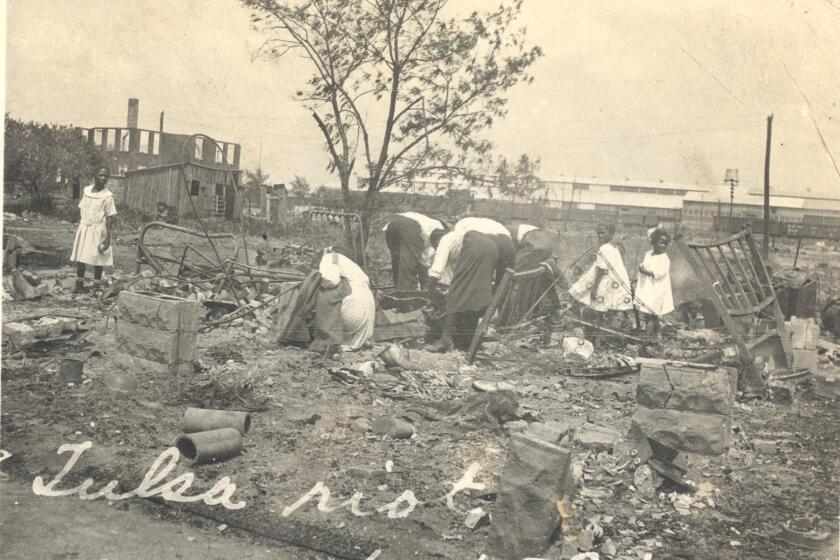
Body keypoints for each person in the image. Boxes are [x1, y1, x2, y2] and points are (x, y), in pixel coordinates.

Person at [275, 247, 375, 352]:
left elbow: (331, 280)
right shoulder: (352, 266)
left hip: (353, 312)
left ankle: (327, 341)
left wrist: (314, 283)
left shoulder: (331, 257)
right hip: (364, 324)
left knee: (323, 287)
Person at [425, 229, 499, 352]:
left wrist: (429, 297)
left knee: (455, 292)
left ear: (436, 242)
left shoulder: (445, 241)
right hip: (491, 247)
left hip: (475, 246)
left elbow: (436, 272)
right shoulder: (458, 244)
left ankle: (444, 341)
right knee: (474, 294)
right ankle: (468, 340)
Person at [568, 222, 633, 320]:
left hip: (604, 281)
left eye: (603, 233)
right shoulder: (613, 247)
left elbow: (601, 270)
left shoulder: (605, 248)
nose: (600, 236)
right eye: (598, 233)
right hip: (611, 282)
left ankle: (580, 320)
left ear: (611, 233)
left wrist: (595, 289)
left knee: (576, 293)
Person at [70, 166, 117, 293]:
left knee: (98, 257)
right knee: (81, 255)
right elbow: (82, 208)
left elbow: (110, 217)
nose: (103, 178)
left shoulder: (108, 196)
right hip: (84, 227)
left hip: (98, 229)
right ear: (95, 175)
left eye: (106, 176)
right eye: (101, 175)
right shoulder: (87, 191)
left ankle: (96, 286)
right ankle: (79, 284)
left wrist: (107, 239)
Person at [382, 212, 446, 291]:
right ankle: (406, 294)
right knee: (409, 266)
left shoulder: (432, 224)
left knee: (398, 261)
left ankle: (399, 291)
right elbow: (424, 263)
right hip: (409, 226)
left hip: (392, 225)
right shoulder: (442, 236)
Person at [635, 225, 674, 337]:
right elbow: (645, 265)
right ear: (654, 241)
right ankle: (653, 335)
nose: (664, 245)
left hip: (656, 291)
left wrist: (645, 271)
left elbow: (660, 273)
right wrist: (641, 269)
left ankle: (649, 336)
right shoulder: (648, 254)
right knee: (647, 313)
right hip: (647, 288)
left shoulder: (664, 258)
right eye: (661, 242)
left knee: (651, 313)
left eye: (666, 243)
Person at [454, 216, 515, 285]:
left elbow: (461, 243)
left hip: (491, 240)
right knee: (502, 281)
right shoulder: (482, 221)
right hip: (508, 243)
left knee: (480, 274)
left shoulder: (460, 224)